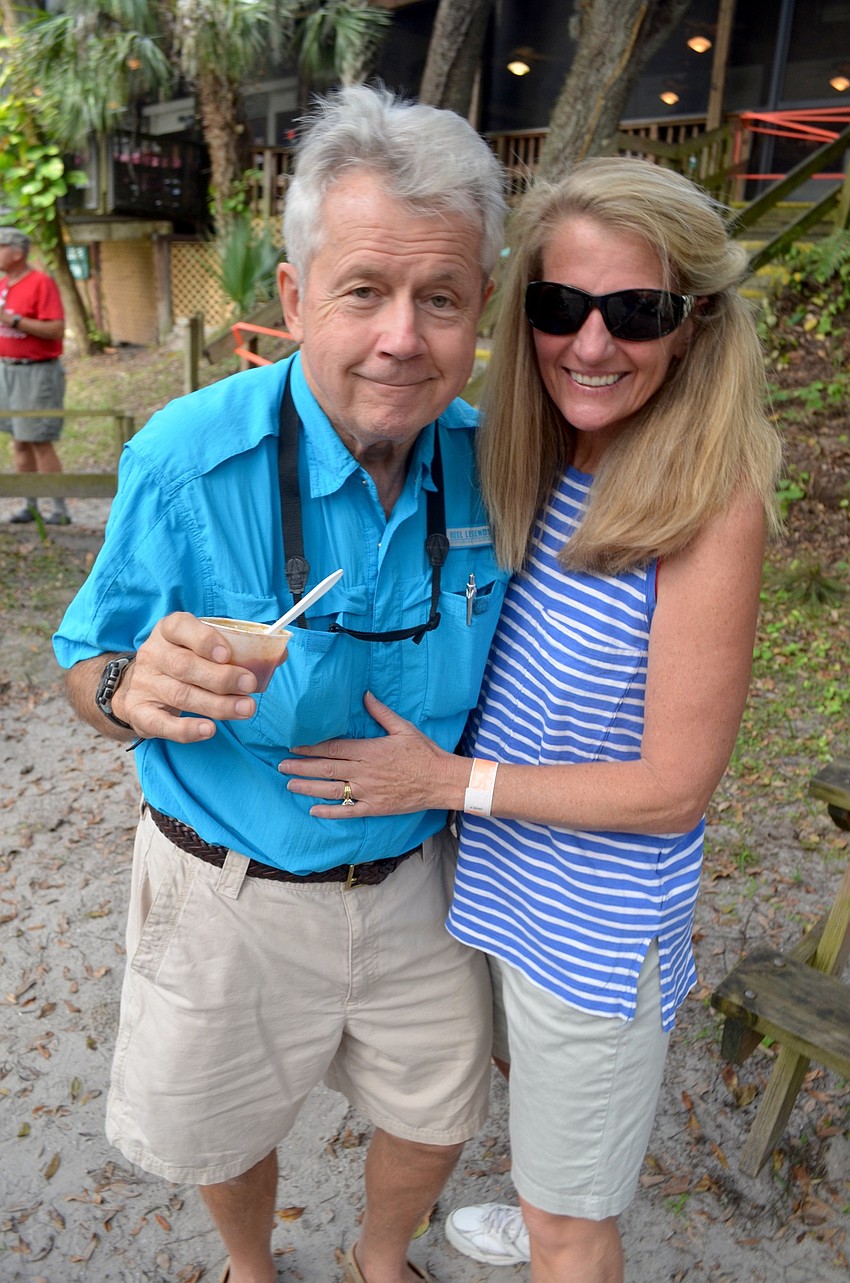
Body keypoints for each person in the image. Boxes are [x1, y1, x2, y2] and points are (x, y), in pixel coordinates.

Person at [277, 157, 783, 1283]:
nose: (590, 345)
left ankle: (558, 1223)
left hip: (593, 936)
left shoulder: (711, 502)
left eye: (636, 311)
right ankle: (549, 1194)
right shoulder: (545, 452)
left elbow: (672, 787)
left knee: (573, 1227)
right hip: (501, 890)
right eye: (561, 306)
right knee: (539, 1132)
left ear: (694, 323)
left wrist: (442, 781)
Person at [53, 84, 509, 1283]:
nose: (402, 335)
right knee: (223, 1118)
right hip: (228, 889)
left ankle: (376, 1256)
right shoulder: (184, 459)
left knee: (438, 1101)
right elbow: (84, 662)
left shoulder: (499, 464)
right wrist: (129, 691)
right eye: (364, 289)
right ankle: (252, 1266)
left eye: (440, 298)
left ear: (480, 313)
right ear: (298, 298)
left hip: (420, 883)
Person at [0, 226, 69, 525]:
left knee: (39, 439)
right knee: (18, 440)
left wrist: (14, 320)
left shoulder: (40, 283)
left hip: (36, 372)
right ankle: (30, 505)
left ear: (17, 252)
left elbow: (56, 330)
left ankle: (59, 509)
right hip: (7, 370)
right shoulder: (4, 284)